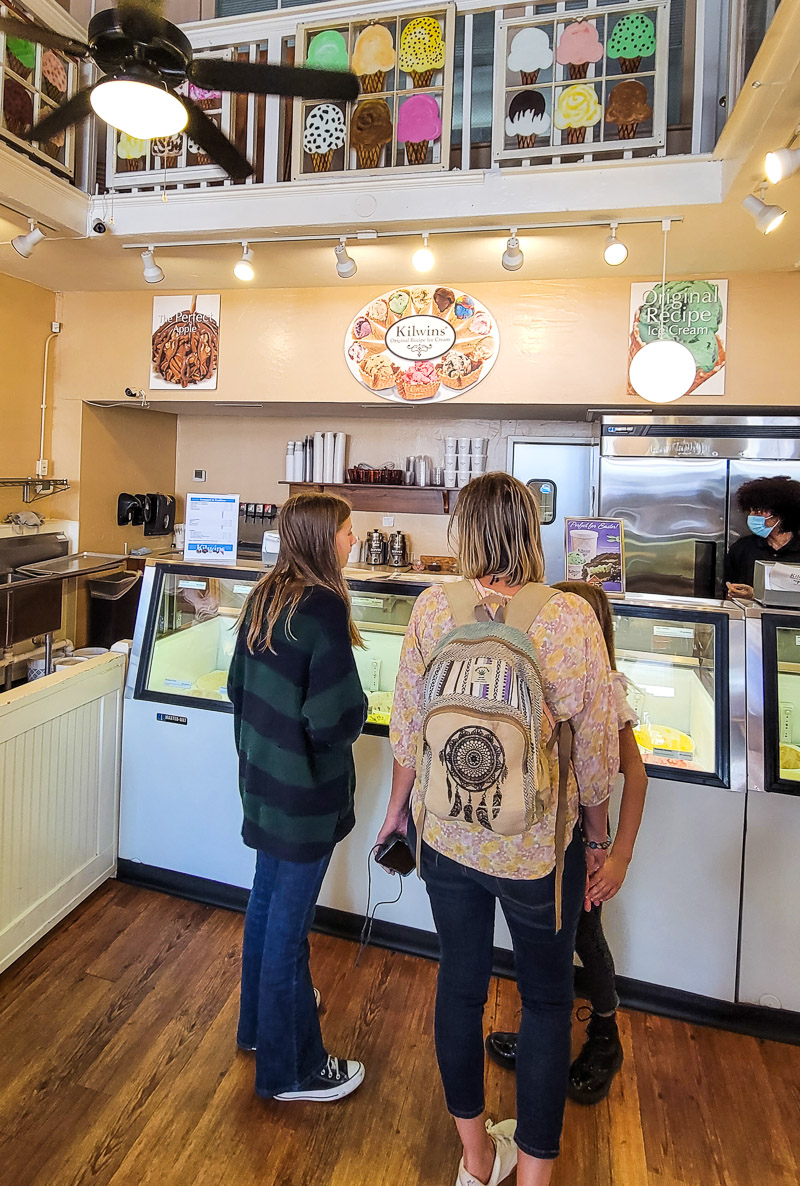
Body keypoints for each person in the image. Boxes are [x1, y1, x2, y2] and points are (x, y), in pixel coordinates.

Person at [377, 473, 619, 1186]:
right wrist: (599, 838)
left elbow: (408, 733)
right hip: (539, 851)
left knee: (459, 982)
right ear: (531, 529)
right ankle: (536, 1176)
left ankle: (477, 1161)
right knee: (545, 1000)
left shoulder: (432, 609)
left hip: (447, 834)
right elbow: (599, 754)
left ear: (465, 534)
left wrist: (398, 813)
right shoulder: (569, 618)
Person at [486, 580, 648, 1106]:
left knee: (584, 938)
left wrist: (617, 855)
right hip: (546, 843)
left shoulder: (607, 690)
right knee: (548, 942)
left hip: (581, 848)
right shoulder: (554, 675)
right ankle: (542, 1035)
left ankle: (605, 1034)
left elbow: (636, 776)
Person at [227, 492, 367, 1103]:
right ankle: (293, 1071)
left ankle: (259, 1028)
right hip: (304, 794)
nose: (352, 541)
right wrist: (360, 710)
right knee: (290, 929)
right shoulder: (325, 607)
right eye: (345, 532)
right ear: (320, 538)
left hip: (261, 782)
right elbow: (333, 717)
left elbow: (237, 687)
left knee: (264, 908)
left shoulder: (264, 595)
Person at [724, 475, 800, 598]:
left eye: (758, 511)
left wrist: (756, 595)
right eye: (751, 511)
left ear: (780, 514)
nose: (752, 516)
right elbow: (728, 594)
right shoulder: (741, 549)